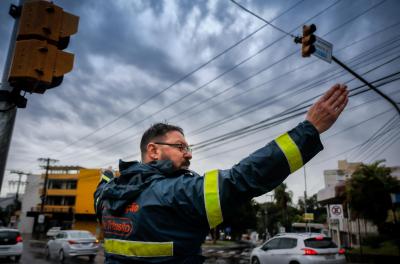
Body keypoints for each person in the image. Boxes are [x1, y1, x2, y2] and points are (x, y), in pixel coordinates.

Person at [94, 84, 348, 263]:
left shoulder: (109, 197)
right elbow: (242, 179)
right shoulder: (175, 193)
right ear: (153, 151)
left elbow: (100, 191)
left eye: (189, 148)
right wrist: (309, 130)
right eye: (181, 147)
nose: (189, 154)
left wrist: (106, 178)